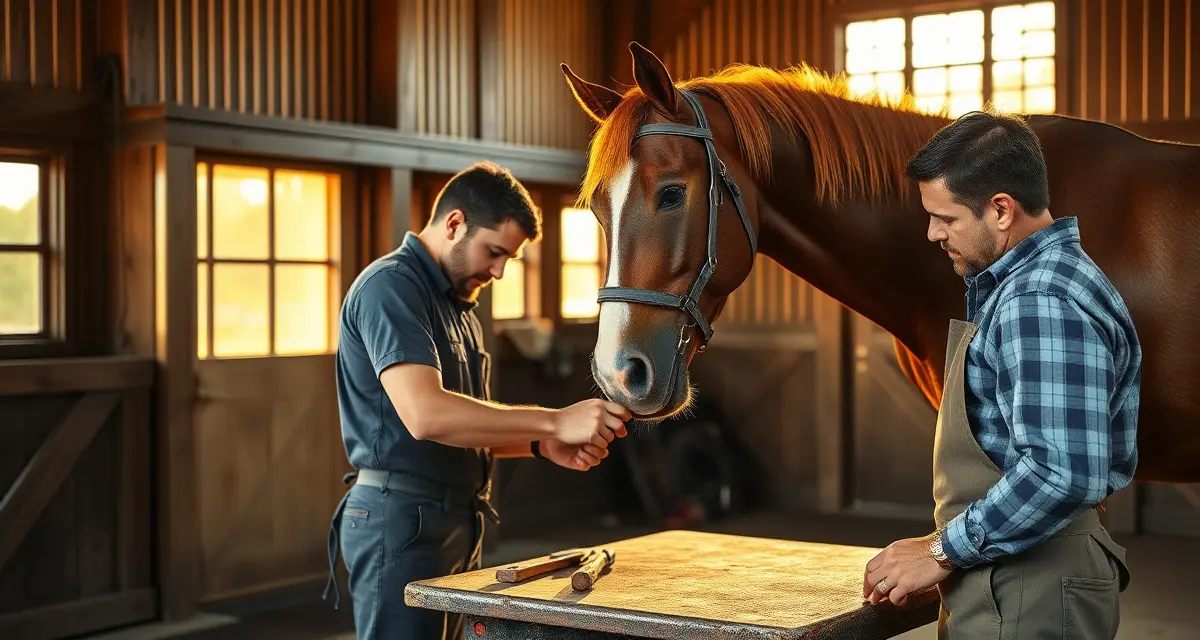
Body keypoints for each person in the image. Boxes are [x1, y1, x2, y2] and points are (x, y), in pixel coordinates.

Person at [862, 109, 1141, 639]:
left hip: (1029, 585)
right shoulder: (1033, 285)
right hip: (1011, 574)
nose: (931, 233)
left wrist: (940, 550)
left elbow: (1061, 472)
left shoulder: (1040, 299)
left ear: (1001, 210)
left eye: (946, 217)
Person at [323, 161, 631, 640]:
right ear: (454, 223)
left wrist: (535, 445)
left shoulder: (459, 304)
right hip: (401, 521)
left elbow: (463, 428)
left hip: (457, 520)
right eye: (494, 252)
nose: (500, 271)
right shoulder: (391, 287)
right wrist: (553, 422)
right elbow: (427, 416)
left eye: (508, 258)